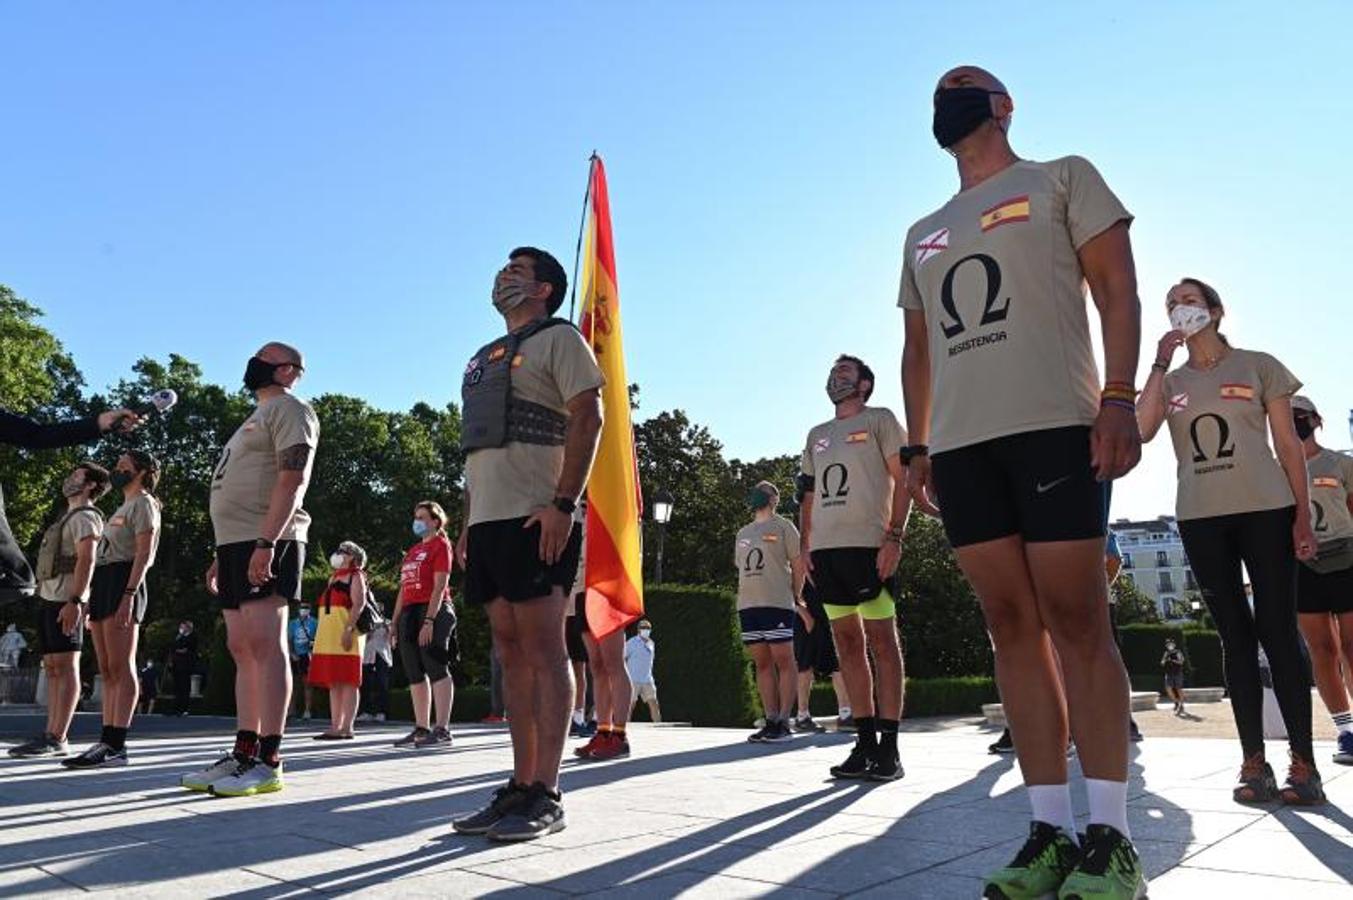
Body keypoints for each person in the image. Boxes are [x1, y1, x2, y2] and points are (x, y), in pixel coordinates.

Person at [900, 67, 1146, 897]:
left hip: (1055, 425)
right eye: (939, 94)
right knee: (1009, 624)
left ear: (1004, 107)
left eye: (966, 88)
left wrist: (1117, 397)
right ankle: (1046, 828)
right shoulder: (922, 232)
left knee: (1076, 617)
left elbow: (1116, 286)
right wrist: (920, 444)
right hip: (964, 447)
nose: (952, 101)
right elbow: (918, 348)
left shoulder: (1061, 177)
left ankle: (1110, 836)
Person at [1137, 278, 1322, 806]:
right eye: (1172, 303)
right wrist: (1156, 363)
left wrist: (1302, 519)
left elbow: (1288, 446)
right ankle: (1253, 763)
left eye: (1189, 299)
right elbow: (1145, 430)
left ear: (1215, 310)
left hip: (1267, 510)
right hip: (1201, 517)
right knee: (1234, 640)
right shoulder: (1170, 381)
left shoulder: (1259, 365)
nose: (1180, 307)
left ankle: (1304, 764)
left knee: (1278, 632)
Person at [452, 246, 603, 842]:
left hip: (538, 514)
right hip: (488, 520)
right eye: (502, 267)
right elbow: (477, 450)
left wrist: (564, 505)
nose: (503, 275)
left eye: (518, 271)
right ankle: (518, 784)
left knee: (543, 647)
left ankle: (547, 789)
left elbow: (588, 417)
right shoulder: (482, 357)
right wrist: (467, 521)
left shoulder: (560, 338)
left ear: (544, 289)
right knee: (508, 650)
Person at [182, 342, 318, 797]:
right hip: (235, 543)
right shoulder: (251, 419)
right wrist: (223, 552)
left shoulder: (291, 408)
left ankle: (270, 758)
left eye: (265, 356)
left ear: (288, 370)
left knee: (264, 643)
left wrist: (267, 542)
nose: (253, 361)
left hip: (270, 539)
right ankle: (243, 750)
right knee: (241, 646)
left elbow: (292, 478)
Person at [799, 354, 910, 782]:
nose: (835, 377)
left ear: (864, 383)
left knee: (883, 641)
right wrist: (806, 545)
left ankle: (890, 746)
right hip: (826, 552)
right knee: (846, 644)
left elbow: (903, 480)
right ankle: (863, 743)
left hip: (868, 547)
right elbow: (807, 495)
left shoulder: (880, 419)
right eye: (832, 372)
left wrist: (894, 537)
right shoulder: (817, 434)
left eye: (844, 372)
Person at [66, 451, 162, 769]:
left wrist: (129, 594)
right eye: (118, 467)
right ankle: (104, 739)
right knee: (106, 668)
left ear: (141, 471)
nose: (118, 471)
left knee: (122, 666)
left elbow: (145, 553)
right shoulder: (120, 507)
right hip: (105, 583)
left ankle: (117, 743)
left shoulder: (145, 503)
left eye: (124, 467)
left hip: (125, 581)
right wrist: (93, 595)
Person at [8, 462, 109, 758]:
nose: (70, 478)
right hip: (50, 598)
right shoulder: (68, 516)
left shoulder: (86, 517)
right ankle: (49, 733)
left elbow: (87, 560)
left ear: (90, 484)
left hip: (67, 600)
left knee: (65, 667)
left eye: (77, 475)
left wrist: (76, 602)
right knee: (52, 668)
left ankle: (58, 735)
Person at [0, 406, 140, 604]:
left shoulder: (85, 517)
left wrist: (100, 422)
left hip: (62, 597)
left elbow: (37, 435)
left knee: (19, 579)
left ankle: (11, 570)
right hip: (52, 596)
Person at [1289, 395, 1353, 765]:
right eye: (1287, 416)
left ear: (1315, 419)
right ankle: (1345, 732)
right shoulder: (1276, 470)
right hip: (1303, 566)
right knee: (1323, 652)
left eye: (1301, 415)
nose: (1295, 420)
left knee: (1352, 646)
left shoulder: (1341, 463)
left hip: (1345, 558)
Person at [735, 481, 802, 742]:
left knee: (784, 660)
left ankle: (785, 720)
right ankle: (770, 718)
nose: (760, 492)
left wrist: (797, 596)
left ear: (775, 499)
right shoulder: (742, 533)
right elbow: (739, 566)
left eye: (767, 490)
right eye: (758, 489)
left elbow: (798, 566)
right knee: (762, 663)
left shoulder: (785, 527)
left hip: (777, 603)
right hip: (749, 605)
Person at [391, 501, 457, 748]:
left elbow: (440, 586)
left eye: (422, 517)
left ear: (435, 521)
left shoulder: (441, 545)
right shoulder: (412, 551)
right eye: (415, 516)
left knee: (435, 665)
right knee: (413, 671)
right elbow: (402, 589)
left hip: (433, 610)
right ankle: (421, 728)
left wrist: (429, 620)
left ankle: (442, 729)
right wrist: (394, 622)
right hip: (409, 612)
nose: (417, 521)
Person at [308, 541, 369, 740]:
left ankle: (347, 727)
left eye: (342, 551)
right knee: (334, 681)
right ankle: (335, 726)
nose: (337, 554)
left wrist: (348, 629)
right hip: (328, 635)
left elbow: (359, 604)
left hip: (346, 631)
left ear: (351, 556)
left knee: (349, 680)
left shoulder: (356, 575)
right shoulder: (333, 577)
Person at [791, 580, 851, 733]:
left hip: (827, 617)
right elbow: (786, 588)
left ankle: (846, 715)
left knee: (837, 664)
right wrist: (804, 614)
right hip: (804, 619)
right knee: (805, 666)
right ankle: (802, 717)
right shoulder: (797, 558)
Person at [566, 504, 594, 737]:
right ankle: (576, 716)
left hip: (590, 601)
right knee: (575, 664)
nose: (583, 512)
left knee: (598, 663)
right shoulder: (568, 527)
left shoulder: (597, 531)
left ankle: (596, 717)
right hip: (568, 605)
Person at [358, 612, 393, 723]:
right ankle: (366, 712)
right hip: (367, 656)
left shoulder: (387, 622)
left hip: (382, 655)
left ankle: (381, 712)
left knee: (382, 684)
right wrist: (370, 630)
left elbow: (392, 640)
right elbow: (363, 638)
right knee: (365, 684)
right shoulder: (365, 622)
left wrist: (388, 628)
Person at [624, 620, 661, 723]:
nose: (646, 630)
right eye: (643, 627)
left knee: (654, 703)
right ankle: (624, 726)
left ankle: (659, 727)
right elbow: (623, 657)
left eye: (648, 628)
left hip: (647, 679)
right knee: (630, 705)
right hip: (633, 679)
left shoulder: (651, 643)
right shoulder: (631, 642)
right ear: (639, 629)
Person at [287, 605, 317, 720]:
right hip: (295, 655)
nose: (303, 609)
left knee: (307, 683)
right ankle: (291, 710)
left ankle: (307, 710)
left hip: (308, 656)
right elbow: (289, 639)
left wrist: (312, 647)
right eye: (302, 607)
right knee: (293, 683)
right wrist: (291, 653)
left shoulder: (314, 622)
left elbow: (318, 638)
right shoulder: (293, 623)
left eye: (306, 607)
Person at [170, 621, 197, 716]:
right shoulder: (178, 637)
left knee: (185, 688)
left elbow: (186, 650)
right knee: (177, 688)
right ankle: (176, 709)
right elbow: (173, 648)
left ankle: (184, 709)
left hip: (186, 667)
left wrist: (179, 650)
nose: (181, 628)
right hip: (177, 666)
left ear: (188, 628)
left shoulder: (192, 638)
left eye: (183, 627)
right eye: (180, 626)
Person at [1161, 639, 1187, 715]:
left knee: (1178, 689)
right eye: (1168, 644)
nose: (1170, 646)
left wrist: (1173, 660)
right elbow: (1162, 663)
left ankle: (1181, 705)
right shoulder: (1166, 653)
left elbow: (1181, 661)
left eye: (1171, 644)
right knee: (1168, 688)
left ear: (1174, 645)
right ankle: (1177, 702)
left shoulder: (1178, 652)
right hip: (1169, 673)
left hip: (1177, 673)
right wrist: (1164, 661)